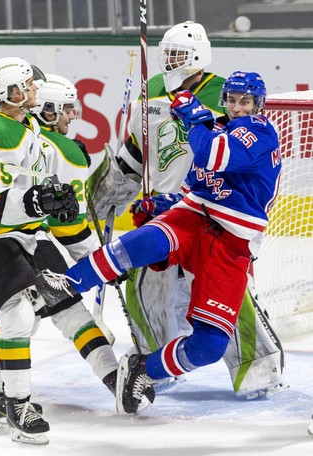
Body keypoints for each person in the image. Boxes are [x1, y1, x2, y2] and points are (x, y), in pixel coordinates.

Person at [49, 70, 282, 414]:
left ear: (257, 104)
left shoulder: (260, 132)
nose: (236, 108)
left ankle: (145, 370)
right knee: (144, 243)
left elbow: (211, 155)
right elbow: (193, 189)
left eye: (244, 101)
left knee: (209, 346)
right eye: (231, 100)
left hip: (232, 243)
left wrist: (194, 117)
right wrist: (162, 205)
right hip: (194, 218)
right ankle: (66, 283)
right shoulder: (215, 129)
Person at [0, 74, 119, 427]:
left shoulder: (30, 127)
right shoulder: (10, 132)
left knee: (60, 302)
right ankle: (6, 399)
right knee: (19, 312)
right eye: (69, 109)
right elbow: (60, 223)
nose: (75, 116)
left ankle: (113, 378)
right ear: (49, 110)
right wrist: (101, 259)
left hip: (25, 233)